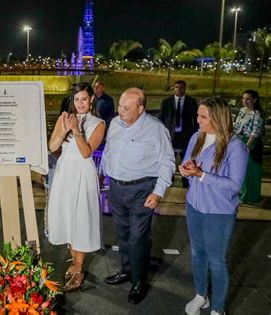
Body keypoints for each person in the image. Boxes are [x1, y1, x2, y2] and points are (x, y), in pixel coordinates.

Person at [100, 87, 175, 304]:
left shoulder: (155, 129)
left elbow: (168, 161)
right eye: (119, 106)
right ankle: (126, 270)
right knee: (122, 234)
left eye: (125, 107)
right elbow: (109, 151)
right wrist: (104, 174)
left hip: (142, 190)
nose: (119, 110)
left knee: (138, 237)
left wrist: (158, 192)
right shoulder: (115, 123)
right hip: (116, 188)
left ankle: (139, 281)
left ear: (140, 109)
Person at [179, 97, 247, 315]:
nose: (197, 120)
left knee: (216, 261)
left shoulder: (236, 147)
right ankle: (201, 295)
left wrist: (201, 175)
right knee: (197, 254)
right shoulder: (196, 137)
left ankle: (218, 308)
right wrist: (186, 169)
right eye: (198, 115)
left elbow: (234, 186)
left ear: (217, 118)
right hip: (194, 207)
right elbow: (189, 165)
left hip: (219, 213)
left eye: (203, 116)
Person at [47, 82, 105, 292]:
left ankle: (78, 267)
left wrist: (77, 131)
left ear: (91, 101)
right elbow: (52, 147)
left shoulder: (99, 123)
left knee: (80, 218)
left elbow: (87, 153)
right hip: (65, 172)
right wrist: (63, 131)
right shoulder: (64, 118)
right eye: (76, 99)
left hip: (83, 173)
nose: (80, 103)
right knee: (67, 216)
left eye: (84, 99)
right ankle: (75, 261)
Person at [158, 80, 198, 187]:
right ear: (174, 88)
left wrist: (196, 134)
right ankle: (168, 181)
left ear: (185, 88)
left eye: (181, 87)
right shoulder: (166, 102)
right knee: (170, 159)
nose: (178, 89)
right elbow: (161, 119)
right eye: (176, 87)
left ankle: (186, 182)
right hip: (171, 136)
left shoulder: (191, 102)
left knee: (186, 160)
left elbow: (196, 119)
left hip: (186, 136)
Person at [233, 90, 265, 204]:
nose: (245, 101)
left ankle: (249, 196)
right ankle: (241, 192)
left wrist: (246, 146)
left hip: (251, 142)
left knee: (250, 170)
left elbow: (256, 131)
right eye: (243, 98)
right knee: (239, 169)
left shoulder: (258, 113)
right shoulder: (242, 111)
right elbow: (236, 127)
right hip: (240, 140)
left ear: (254, 100)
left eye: (248, 99)